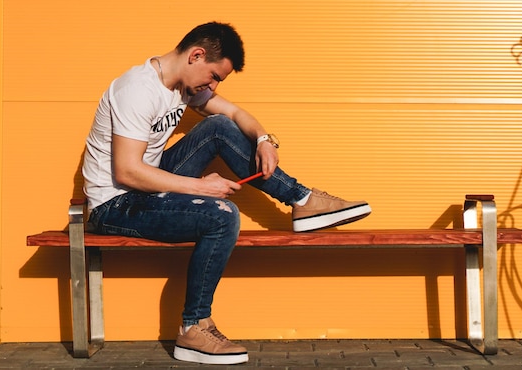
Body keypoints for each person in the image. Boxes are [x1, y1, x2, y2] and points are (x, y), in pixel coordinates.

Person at [82, 21, 371, 365]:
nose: (213, 85)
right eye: (215, 76)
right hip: (115, 204)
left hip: (148, 186)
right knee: (221, 216)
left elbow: (233, 113)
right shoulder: (136, 89)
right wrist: (202, 187)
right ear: (196, 55)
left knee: (219, 126)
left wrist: (264, 139)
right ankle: (194, 328)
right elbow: (127, 171)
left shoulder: (183, 86)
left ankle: (302, 199)